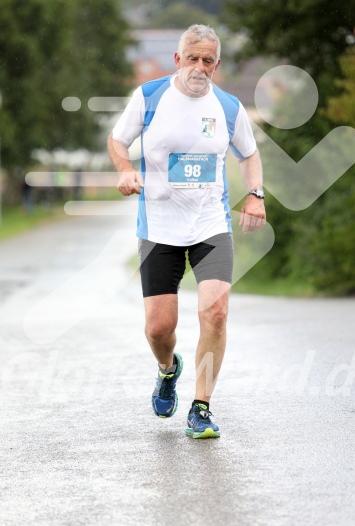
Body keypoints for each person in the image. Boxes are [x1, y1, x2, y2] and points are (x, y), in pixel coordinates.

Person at [107, 24, 266, 439]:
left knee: (215, 311)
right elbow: (118, 140)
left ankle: (201, 407)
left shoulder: (229, 108)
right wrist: (125, 170)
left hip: (211, 224)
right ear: (178, 60)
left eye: (208, 60)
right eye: (192, 58)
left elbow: (250, 153)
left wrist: (256, 194)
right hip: (159, 226)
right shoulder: (149, 97)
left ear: (217, 64)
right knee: (159, 329)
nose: (199, 67)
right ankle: (167, 368)